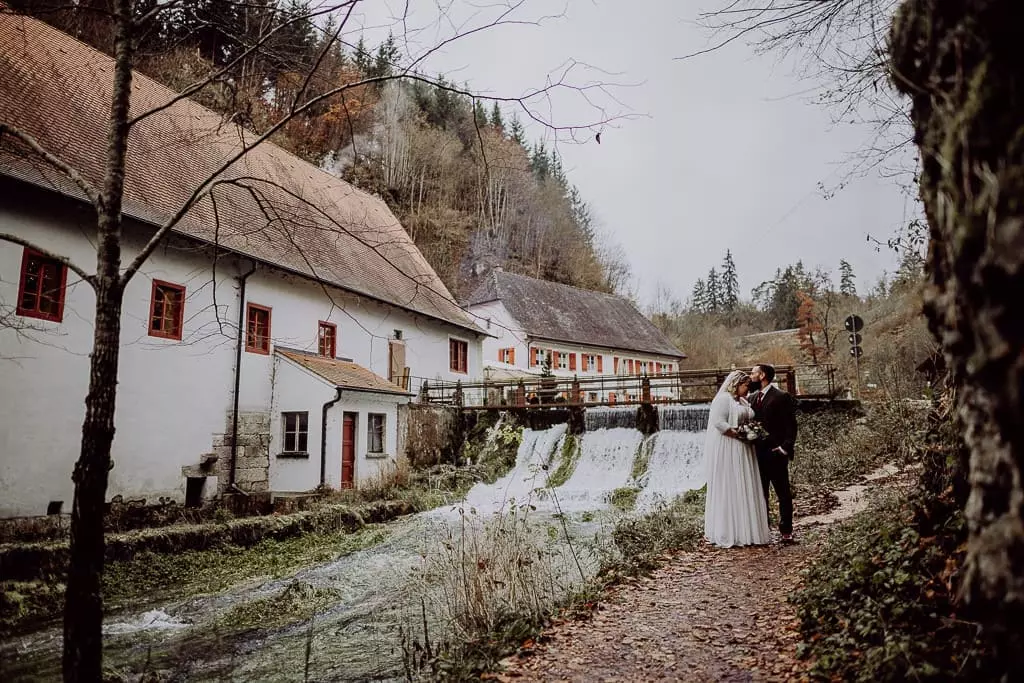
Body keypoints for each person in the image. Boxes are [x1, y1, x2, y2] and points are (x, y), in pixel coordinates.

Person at [703, 370, 771, 547]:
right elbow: (718, 422)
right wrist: (738, 435)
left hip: (745, 449)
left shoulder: (741, 400)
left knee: (745, 483)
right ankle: (730, 531)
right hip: (729, 447)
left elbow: (748, 418)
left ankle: (748, 530)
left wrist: (752, 432)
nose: (748, 389)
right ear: (737, 384)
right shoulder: (723, 399)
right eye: (746, 386)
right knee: (731, 484)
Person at [749, 363, 799, 543]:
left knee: (783, 493)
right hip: (756, 456)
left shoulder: (781, 396)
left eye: (753, 372)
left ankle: (786, 531)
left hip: (776, 454)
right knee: (759, 494)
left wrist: (785, 447)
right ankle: (763, 530)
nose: (751, 376)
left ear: (762, 375)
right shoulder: (752, 397)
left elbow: (791, 425)